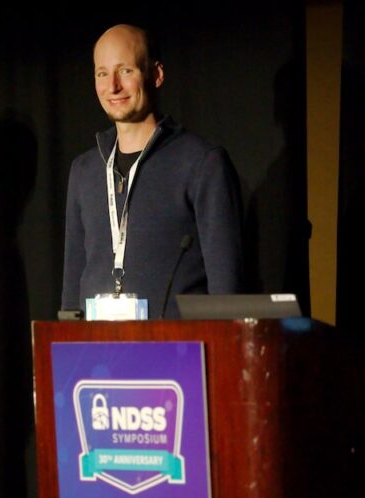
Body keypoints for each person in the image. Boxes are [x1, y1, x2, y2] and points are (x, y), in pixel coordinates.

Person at [61, 23, 244, 318]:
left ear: (156, 74)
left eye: (126, 71)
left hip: (176, 354)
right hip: (97, 357)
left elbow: (226, 289)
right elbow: (73, 281)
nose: (113, 87)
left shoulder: (201, 163)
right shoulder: (84, 170)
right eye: (102, 73)